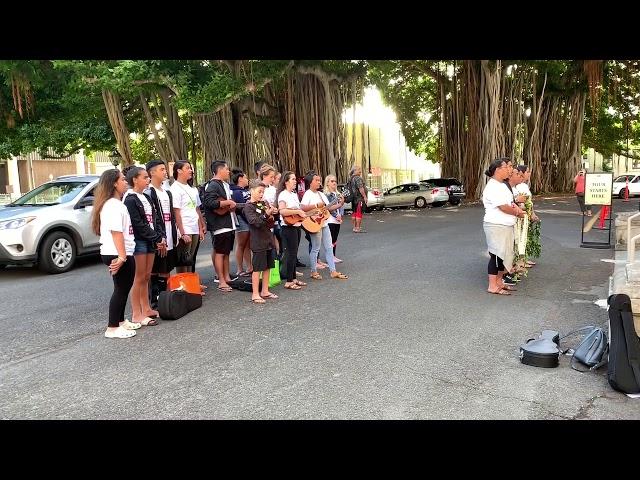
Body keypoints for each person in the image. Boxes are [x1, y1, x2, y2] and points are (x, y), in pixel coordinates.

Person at [91, 169, 139, 339]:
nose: (126, 182)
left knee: (124, 287)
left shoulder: (116, 203)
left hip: (120, 251)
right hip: (116, 251)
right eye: (123, 180)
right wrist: (122, 257)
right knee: (121, 289)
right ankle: (112, 327)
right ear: (114, 183)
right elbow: (116, 232)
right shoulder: (112, 205)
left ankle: (120, 321)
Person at [123, 166, 166, 325]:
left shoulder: (146, 198)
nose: (148, 180)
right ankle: (136, 313)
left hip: (150, 240)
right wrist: (155, 236)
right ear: (135, 179)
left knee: (147, 276)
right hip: (139, 241)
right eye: (145, 177)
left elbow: (156, 219)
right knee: (139, 277)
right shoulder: (130, 199)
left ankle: (146, 308)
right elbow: (138, 223)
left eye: (148, 177)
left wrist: (160, 236)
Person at [482, 158, 525, 296]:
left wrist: (516, 209)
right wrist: (517, 212)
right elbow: (503, 207)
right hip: (496, 225)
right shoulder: (493, 186)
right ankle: (492, 285)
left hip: (505, 225)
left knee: (505, 256)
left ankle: (500, 282)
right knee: (496, 255)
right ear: (497, 170)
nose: (510, 169)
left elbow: (509, 203)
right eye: (506, 167)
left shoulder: (502, 185)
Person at [301, 173, 349, 280]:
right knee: (315, 248)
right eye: (316, 180)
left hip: (324, 223)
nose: (319, 182)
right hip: (315, 223)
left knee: (329, 247)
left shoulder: (321, 194)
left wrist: (340, 204)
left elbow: (328, 208)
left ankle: (333, 271)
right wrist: (316, 206)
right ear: (311, 182)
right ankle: (313, 271)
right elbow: (303, 207)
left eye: (319, 180)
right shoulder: (308, 194)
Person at [146, 160, 177, 310]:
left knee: (165, 269)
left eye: (165, 169)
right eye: (161, 169)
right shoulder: (149, 192)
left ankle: (164, 299)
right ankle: (154, 301)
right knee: (154, 269)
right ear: (152, 173)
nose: (165, 172)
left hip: (170, 235)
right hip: (158, 237)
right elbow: (153, 218)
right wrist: (159, 237)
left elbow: (171, 215)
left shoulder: (167, 192)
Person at [202, 160, 238, 292]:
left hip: (229, 223)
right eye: (227, 169)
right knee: (220, 252)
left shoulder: (224, 185)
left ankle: (227, 276)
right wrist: (227, 202)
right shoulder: (212, 185)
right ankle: (221, 280)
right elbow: (209, 202)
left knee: (226, 252)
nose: (229, 172)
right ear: (219, 170)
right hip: (220, 224)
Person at [244, 180, 279, 303]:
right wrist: (266, 215)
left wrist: (272, 214)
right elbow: (255, 222)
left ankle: (265, 290)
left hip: (268, 238)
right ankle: (255, 294)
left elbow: (269, 221)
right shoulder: (248, 206)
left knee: (267, 266)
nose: (261, 194)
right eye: (259, 191)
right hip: (258, 240)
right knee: (257, 268)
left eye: (263, 192)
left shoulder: (263, 204)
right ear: (251, 191)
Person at [171, 160, 207, 274]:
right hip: (184, 227)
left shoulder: (193, 189)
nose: (191, 170)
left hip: (194, 227)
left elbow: (196, 209)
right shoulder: (174, 189)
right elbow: (176, 212)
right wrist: (182, 233)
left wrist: (201, 227)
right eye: (188, 168)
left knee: (190, 258)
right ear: (179, 171)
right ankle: (183, 287)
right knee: (183, 259)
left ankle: (191, 285)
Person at [277, 171, 308, 290]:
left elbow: (298, 210)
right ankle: (289, 281)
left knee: (294, 253)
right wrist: (296, 211)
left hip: (296, 226)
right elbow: (282, 211)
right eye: (293, 179)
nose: (295, 181)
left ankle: (294, 278)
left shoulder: (294, 194)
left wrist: (302, 213)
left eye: (295, 179)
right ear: (286, 182)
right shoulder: (283, 195)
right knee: (290, 254)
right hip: (288, 227)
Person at [230, 169, 252, 277]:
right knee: (241, 244)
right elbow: (241, 207)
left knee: (247, 244)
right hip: (241, 219)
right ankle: (239, 268)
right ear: (240, 179)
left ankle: (249, 266)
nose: (247, 180)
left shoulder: (245, 191)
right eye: (246, 177)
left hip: (247, 219)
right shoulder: (237, 192)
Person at [324, 174, 345, 263]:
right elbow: (328, 207)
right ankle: (330, 257)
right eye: (332, 181)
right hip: (330, 219)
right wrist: (336, 215)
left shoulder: (338, 194)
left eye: (335, 181)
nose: (334, 183)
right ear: (327, 183)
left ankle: (333, 255)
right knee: (330, 239)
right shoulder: (326, 195)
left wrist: (340, 215)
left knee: (335, 239)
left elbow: (341, 207)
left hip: (337, 219)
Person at [349, 165, 368, 233]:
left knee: (354, 213)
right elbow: (361, 188)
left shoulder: (351, 178)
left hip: (354, 198)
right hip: (359, 198)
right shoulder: (358, 178)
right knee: (359, 213)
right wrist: (365, 197)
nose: (360, 171)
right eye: (358, 169)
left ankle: (354, 227)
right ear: (354, 171)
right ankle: (358, 228)